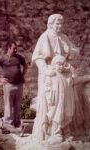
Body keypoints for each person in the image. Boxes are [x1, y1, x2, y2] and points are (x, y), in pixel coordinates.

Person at [31, 14, 80, 142]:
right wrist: (45, 69)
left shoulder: (64, 37)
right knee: (53, 103)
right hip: (51, 75)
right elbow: (37, 56)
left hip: (64, 74)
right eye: (57, 23)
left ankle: (65, 128)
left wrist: (73, 52)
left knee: (67, 101)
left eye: (61, 24)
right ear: (50, 24)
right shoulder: (45, 37)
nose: (59, 26)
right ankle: (54, 130)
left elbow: (71, 51)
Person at [0, 40, 27, 132]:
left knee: (18, 104)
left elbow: (25, 66)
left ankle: (17, 122)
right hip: (8, 85)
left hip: (19, 84)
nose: (15, 50)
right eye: (14, 48)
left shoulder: (19, 57)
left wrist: (22, 76)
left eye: (16, 48)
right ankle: (8, 123)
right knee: (8, 104)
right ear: (9, 48)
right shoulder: (2, 58)